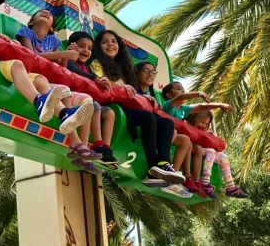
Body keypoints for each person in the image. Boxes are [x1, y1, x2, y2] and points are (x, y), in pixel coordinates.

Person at [0, 0, 102, 174]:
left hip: (3, 64)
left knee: (42, 81)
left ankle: (69, 126)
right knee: (17, 65)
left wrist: (1, 40)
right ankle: (38, 101)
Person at [91, 29, 185, 186]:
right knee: (148, 118)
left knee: (167, 123)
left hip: (128, 106)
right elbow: (103, 83)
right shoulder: (97, 63)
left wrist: (144, 97)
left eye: (114, 41)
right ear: (99, 47)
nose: (110, 45)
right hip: (113, 105)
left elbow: (132, 92)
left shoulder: (123, 68)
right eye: (105, 42)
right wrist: (124, 87)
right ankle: (152, 167)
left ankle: (162, 164)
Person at [16, 10, 103, 174]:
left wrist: (66, 57)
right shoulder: (25, 32)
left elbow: (61, 69)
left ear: (51, 28)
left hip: (52, 79)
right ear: (31, 22)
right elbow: (31, 56)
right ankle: (74, 141)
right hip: (34, 75)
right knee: (62, 90)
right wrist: (63, 53)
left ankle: (80, 150)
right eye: (40, 13)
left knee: (87, 100)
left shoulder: (54, 40)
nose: (45, 13)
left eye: (49, 14)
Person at [133, 61, 201, 198]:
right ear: (137, 73)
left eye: (153, 72)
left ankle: (168, 171)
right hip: (136, 119)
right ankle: (154, 170)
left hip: (152, 123)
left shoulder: (153, 96)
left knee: (171, 126)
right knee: (154, 120)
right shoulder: (133, 88)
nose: (150, 74)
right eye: (146, 71)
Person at [161, 81, 239, 197]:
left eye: (183, 89)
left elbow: (201, 107)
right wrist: (199, 94)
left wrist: (219, 105)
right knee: (186, 140)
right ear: (169, 95)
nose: (182, 92)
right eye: (178, 89)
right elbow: (181, 97)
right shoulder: (169, 104)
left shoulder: (183, 109)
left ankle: (195, 181)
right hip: (168, 134)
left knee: (196, 148)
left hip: (180, 138)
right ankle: (174, 175)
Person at [66, 31, 118, 169]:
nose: (86, 51)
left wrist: (103, 80)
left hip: (87, 100)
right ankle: (95, 146)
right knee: (94, 105)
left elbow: (93, 76)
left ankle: (106, 148)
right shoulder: (69, 60)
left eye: (89, 48)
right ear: (72, 46)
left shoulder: (86, 67)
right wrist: (95, 78)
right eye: (82, 46)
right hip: (74, 98)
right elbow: (72, 69)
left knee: (109, 113)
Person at [187, 111, 248, 198]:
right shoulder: (189, 127)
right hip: (193, 147)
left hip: (203, 150)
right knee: (211, 151)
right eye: (202, 122)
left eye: (206, 124)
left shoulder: (205, 131)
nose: (204, 125)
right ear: (194, 119)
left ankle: (230, 186)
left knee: (223, 156)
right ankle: (205, 181)